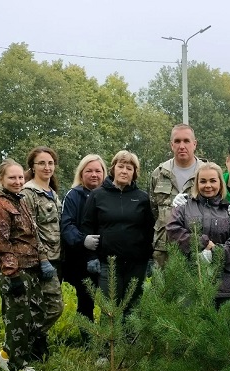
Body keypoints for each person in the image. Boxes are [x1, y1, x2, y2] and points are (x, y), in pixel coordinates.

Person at [0, 159, 43, 371]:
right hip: (16, 272)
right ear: (1, 179)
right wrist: (12, 274)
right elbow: (1, 244)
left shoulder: (19, 200)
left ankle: (7, 355)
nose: (18, 181)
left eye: (20, 177)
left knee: (30, 317)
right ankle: (17, 368)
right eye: (12, 177)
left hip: (30, 268)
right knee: (18, 320)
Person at [81, 150, 153, 313]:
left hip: (136, 264)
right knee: (110, 310)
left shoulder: (142, 198)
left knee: (132, 310)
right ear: (113, 169)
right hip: (108, 262)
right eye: (121, 166)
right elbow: (87, 227)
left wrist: (149, 259)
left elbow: (149, 230)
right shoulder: (97, 195)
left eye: (129, 168)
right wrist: (91, 257)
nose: (124, 171)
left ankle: (130, 339)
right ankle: (110, 340)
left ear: (134, 173)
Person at [166, 162, 230, 304]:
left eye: (212, 181)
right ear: (197, 184)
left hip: (224, 282)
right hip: (191, 277)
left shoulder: (229, 208)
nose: (208, 185)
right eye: (203, 181)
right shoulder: (184, 206)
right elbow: (173, 229)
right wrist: (202, 243)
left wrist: (215, 252)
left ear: (220, 183)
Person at [21, 146, 63, 360]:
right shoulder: (28, 193)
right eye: (42, 163)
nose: (47, 167)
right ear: (33, 166)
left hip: (56, 258)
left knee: (45, 306)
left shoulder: (51, 192)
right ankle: (23, 345)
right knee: (53, 306)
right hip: (40, 261)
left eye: (50, 163)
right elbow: (30, 230)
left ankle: (36, 344)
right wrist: (43, 259)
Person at [61, 154, 107, 340]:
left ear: (104, 173)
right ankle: (88, 339)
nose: (94, 174)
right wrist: (82, 240)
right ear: (81, 173)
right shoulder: (73, 196)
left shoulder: (110, 195)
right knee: (86, 300)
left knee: (109, 301)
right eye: (89, 171)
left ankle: (108, 338)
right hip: (81, 259)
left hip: (106, 258)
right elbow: (67, 225)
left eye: (98, 170)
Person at [149, 124, 205, 267]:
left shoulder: (207, 172)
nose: (182, 146)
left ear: (194, 144)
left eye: (186, 141)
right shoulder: (159, 173)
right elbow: (154, 209)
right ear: (171, 145)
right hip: (165, 249)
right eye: (177, 141)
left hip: (198, 247)